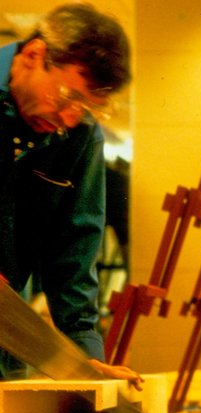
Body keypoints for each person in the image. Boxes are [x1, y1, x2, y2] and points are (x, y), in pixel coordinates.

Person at [0, 3, 141, 387]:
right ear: (34, 54)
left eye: (87, 108)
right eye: (66, 97)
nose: (69, 118)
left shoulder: (80, 138)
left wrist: (85, 359)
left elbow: (74, 253)